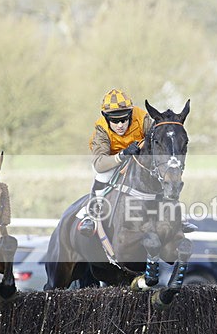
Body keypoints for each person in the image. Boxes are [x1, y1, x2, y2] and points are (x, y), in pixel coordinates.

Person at [78, 88, 195, 235]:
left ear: (130, 114)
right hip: (110, 160)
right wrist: (123, 155)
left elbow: (157, 139)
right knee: (103, 176)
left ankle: (177, 215)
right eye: (114, 120)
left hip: (137, 158)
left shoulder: (142, 118)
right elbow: (99, 164)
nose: (120, 125)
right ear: (105, 117)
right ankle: (91, 216)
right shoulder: (101, 129)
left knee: (164, 175)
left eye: (123, 119)